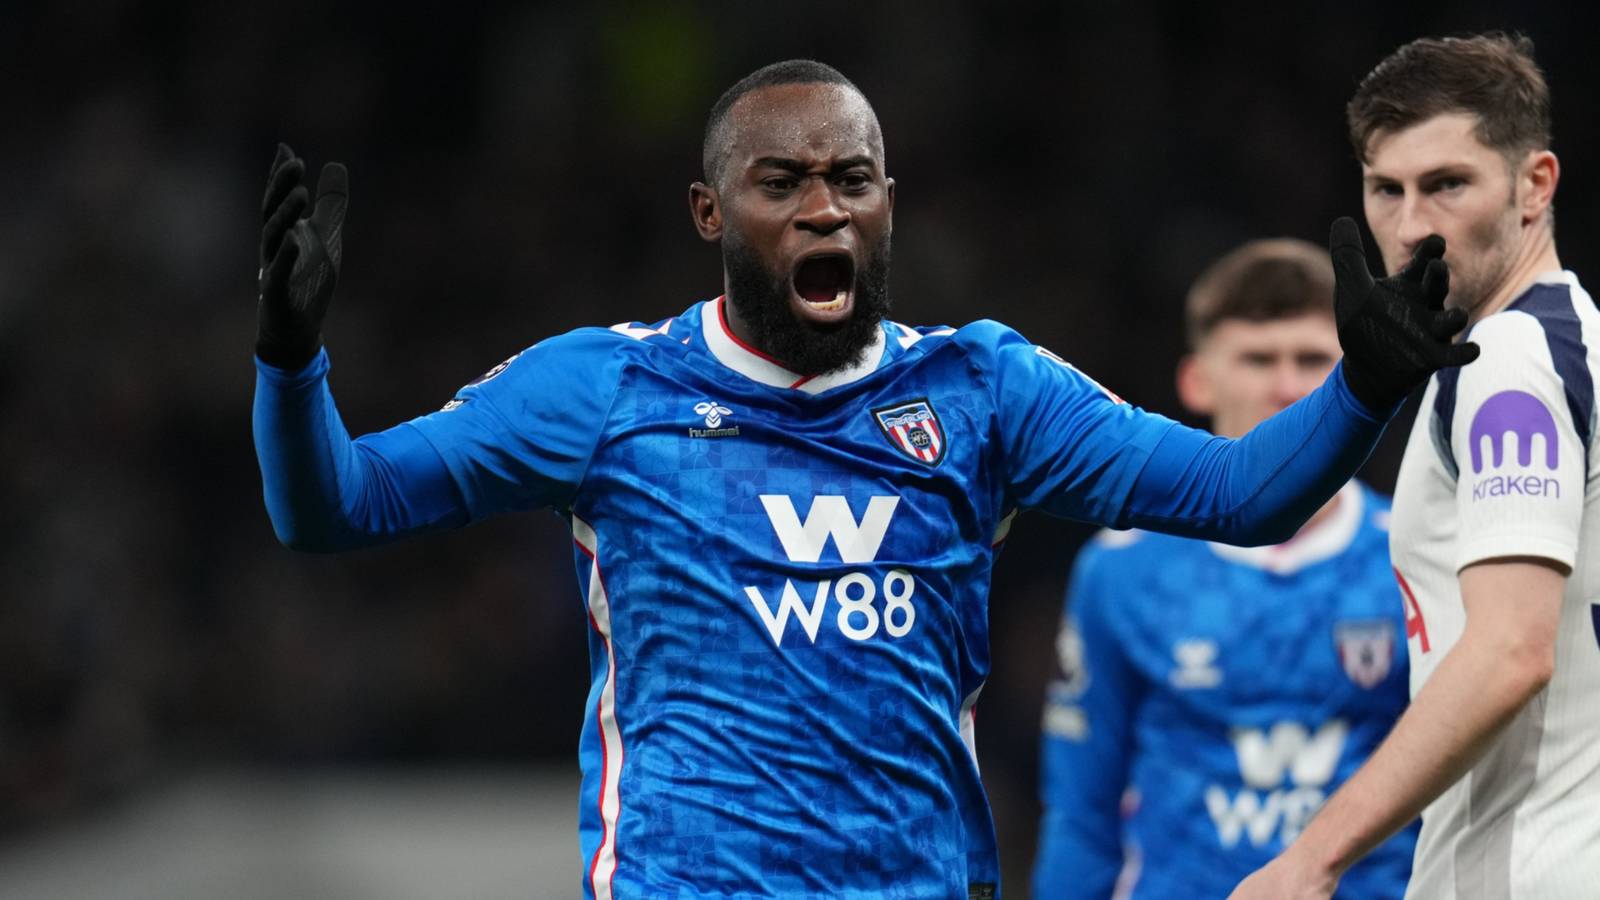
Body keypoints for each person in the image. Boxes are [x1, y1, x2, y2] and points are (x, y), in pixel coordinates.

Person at [253, 60, 1474, 898]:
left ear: (888, 200)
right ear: (709, 212)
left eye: (850, 179)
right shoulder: (605, 389)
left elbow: (1240, 497)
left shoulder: (981, 389)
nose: (822, 209)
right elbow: (336, 506)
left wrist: (1362, 385)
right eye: (780, 183)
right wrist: (293, 365)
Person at [1231, 33, 1600, 900]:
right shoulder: (1569, 339)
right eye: (1385, 189)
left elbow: (1509, 651)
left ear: (1535, 185)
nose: (1409, 229)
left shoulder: (1511, 360)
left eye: (1448, 185)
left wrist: (1311, 859)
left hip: (1526, 869)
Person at [1033, 239, 1417, 899]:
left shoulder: (1413, 555)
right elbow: (1082, 810)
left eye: (1314, 361)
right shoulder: (1123, 572)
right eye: (1258, 359)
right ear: (1197, 381)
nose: (1288, 386)